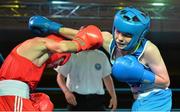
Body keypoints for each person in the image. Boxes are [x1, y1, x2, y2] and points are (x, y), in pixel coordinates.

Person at [29, 6, 172, 111]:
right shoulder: (109, 41)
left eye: (127, 35)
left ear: (139, 35)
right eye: (118, 31)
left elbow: (165, 81)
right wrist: (51, 26)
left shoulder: (148, 50)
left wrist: (140, 74)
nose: (120, 38)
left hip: (156, 98)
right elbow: (80, 35)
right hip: (139, 100)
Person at [0, 16, 103, 111]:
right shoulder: (39, 43)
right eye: (61, 61)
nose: (56, 66)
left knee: (44, 103)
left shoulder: (35, 54)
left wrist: (53, 26)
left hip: (11, 98)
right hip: (12, 99)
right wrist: (82, 43)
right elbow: (64, 47)